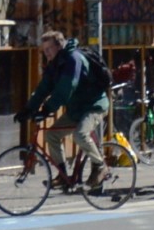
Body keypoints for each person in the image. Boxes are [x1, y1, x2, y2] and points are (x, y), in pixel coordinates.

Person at [23, 32, 109, 187]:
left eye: (49, 48)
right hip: (76, 109)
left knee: (80, 135)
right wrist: (28, 108)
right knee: (51, 135)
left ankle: (101, 166)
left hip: (94, 106)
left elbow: (66, 88)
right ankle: (62, 175)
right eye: (44, 49)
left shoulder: (73, 59)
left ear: (59, 46)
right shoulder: (55, 64)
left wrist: (46, 110)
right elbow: (44, 88)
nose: (46, 52)